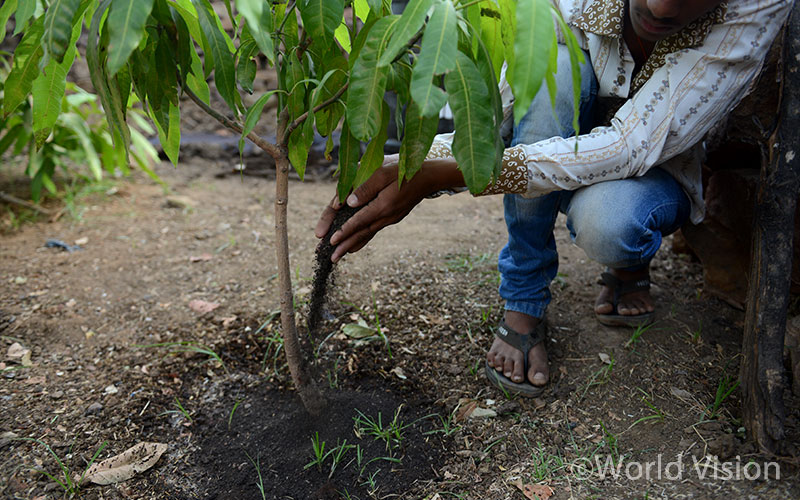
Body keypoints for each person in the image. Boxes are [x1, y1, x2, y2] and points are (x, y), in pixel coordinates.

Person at [315, 0, 792, 397]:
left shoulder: (757, 7)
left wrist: (439, 175)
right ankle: (523, 298)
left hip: (652, 166)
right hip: (559, 135)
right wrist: (411, 165)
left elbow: (631, 145)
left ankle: (628, 264)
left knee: (611, 226)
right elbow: (506, 106)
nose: (660, 6)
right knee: (551, 67)